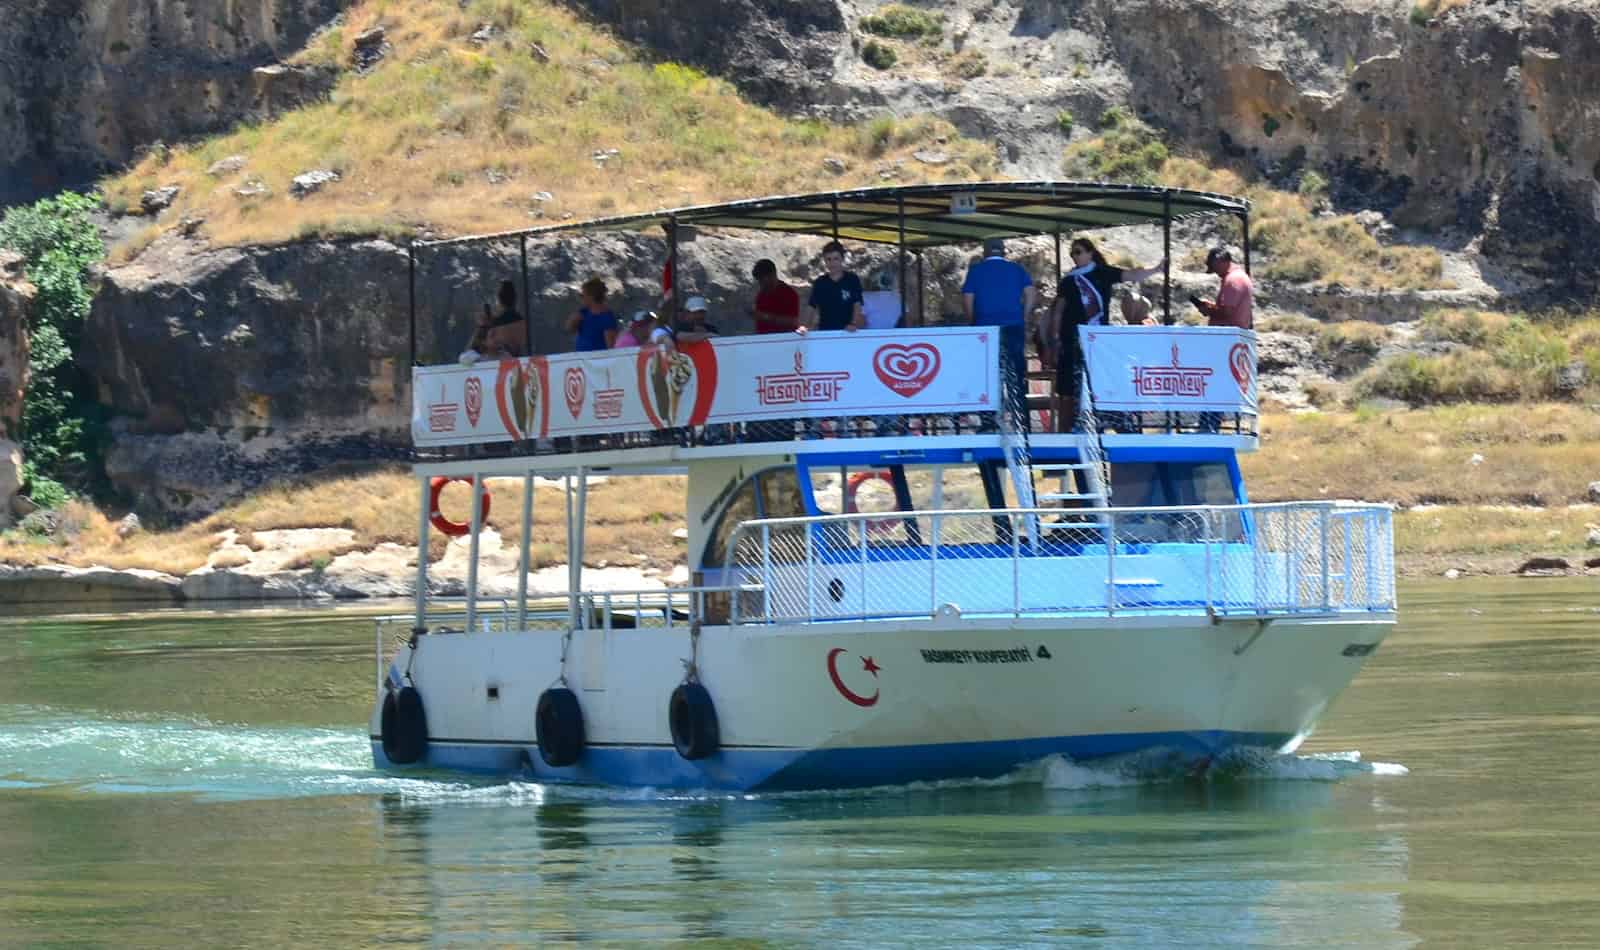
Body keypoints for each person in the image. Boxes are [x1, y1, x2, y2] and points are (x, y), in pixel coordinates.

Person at [1047, 237, 1166, 431]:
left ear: (1090, 252)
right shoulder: (1069, 280)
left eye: (1078, 252)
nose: (1074, 256)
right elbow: (1058, 310)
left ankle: (1101, 424)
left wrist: (1155, 269)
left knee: (1101, 385)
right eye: (1072, 253)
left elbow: (1131, 275)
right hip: (1071, 341)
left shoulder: (1103, 273)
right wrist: (1054, 339)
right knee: (1067, 390)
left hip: (1097, 342)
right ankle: (1066, 434)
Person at [962, 238, 1036, 429]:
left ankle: (988, 422)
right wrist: (1025, 315)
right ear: (1004, 251)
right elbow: (1030, 292)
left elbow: (968, 298)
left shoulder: (976, 271)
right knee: (1017, 374)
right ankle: (1023, 422)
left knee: (987, 376)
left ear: (984, 252)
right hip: (1013, 325)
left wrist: (972, 322)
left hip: (985, 329)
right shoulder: (1017, 269)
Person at [799, 240, 864, 334]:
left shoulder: (852, 280)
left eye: (836, 259)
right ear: (824, 261)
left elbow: (857, 305)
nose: (832, 263)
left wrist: (853, 323)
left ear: (842, 259)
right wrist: (804, 326)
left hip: (848, 332)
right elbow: (811, 307)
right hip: (826, 334)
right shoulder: (820, 283)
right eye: (828, 259)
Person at [463, 280, 526, 360]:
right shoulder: (519, 321)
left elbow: (468, 355)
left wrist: (482, 327)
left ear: (498, 300)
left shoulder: (497, 324)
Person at [1194, 246, 1254, 329]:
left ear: (1220, 261)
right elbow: (1229, 309)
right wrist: (1212, 306)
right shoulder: (1238, 276)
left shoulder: (1232, 280)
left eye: (1215, 268)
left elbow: (1226, 313)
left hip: (1229, 336)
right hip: (1233, 335)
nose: (1216, 272)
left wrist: (1208, 310)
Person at [565, 276, 618, 352]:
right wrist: (574, 319)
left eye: (582, 296)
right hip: (581, 360)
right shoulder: (583, 313)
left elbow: (611, 347)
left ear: (591, 297)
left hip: (597, 361)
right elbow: (568, 329)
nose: (581, 298)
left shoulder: (606, 317)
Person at [750, 259, 801, 334]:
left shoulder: (789, 294)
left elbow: (793, 322)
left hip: (784, 341)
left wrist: (765, 317)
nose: (760, 283)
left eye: (762, 279)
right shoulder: (761, 296)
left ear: (772, 275)